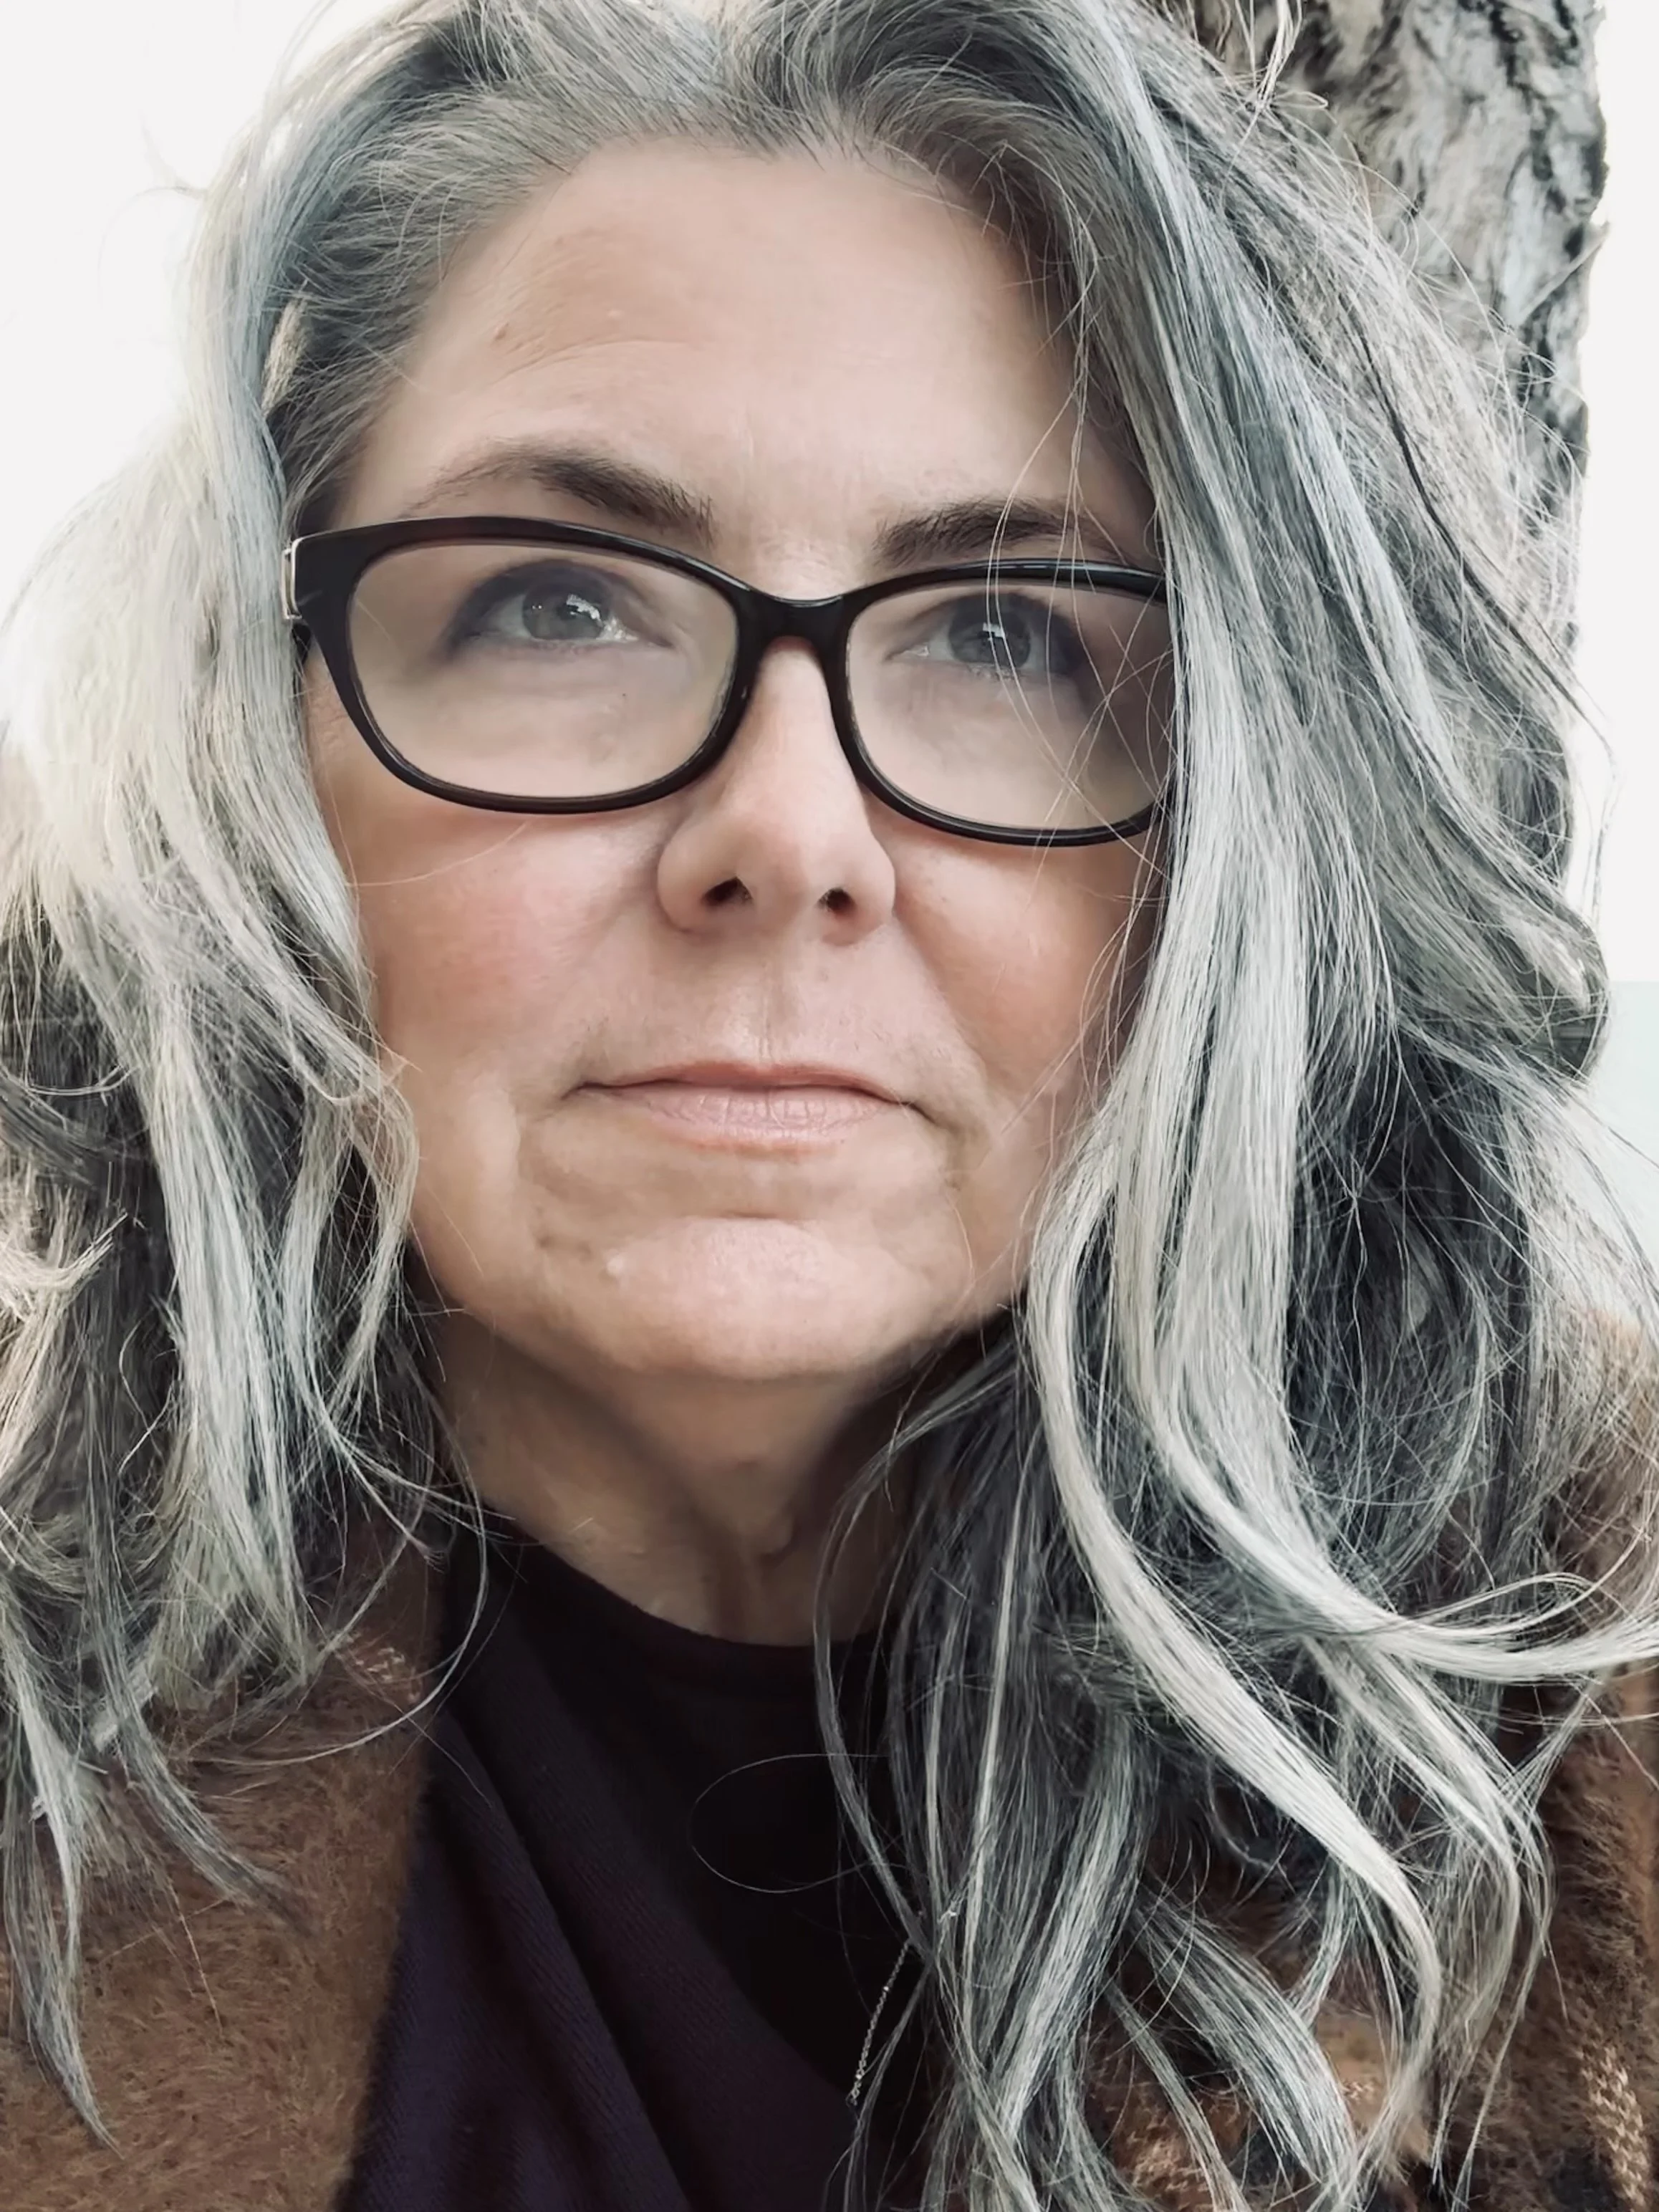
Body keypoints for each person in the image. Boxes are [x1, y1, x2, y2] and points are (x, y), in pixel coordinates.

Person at [1, 0, 1657, 2206]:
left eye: (1006, 636)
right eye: (559, 605)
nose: (784, 835)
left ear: (1247, 839)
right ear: (255, 744)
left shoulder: (1596, 1728)